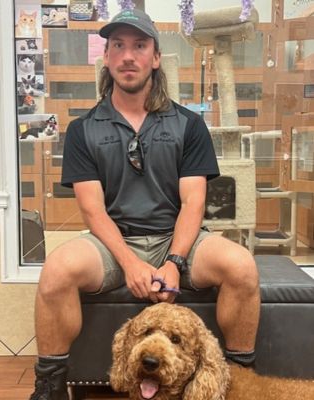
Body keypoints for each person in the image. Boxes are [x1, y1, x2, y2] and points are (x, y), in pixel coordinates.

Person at [29, 9, 260, 400]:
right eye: (118, 45)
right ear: (107, 57)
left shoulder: (188, 124)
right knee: (56, 271)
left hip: (178, 236)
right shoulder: (84, 129)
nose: (128, 56)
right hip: (113, 240)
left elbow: (192, 202)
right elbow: (93, 211)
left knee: (242, 266)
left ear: (155, 57)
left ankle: (239, 383)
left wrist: (175, 261)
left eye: (139, 45)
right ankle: (49, 387)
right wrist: (130, 262)